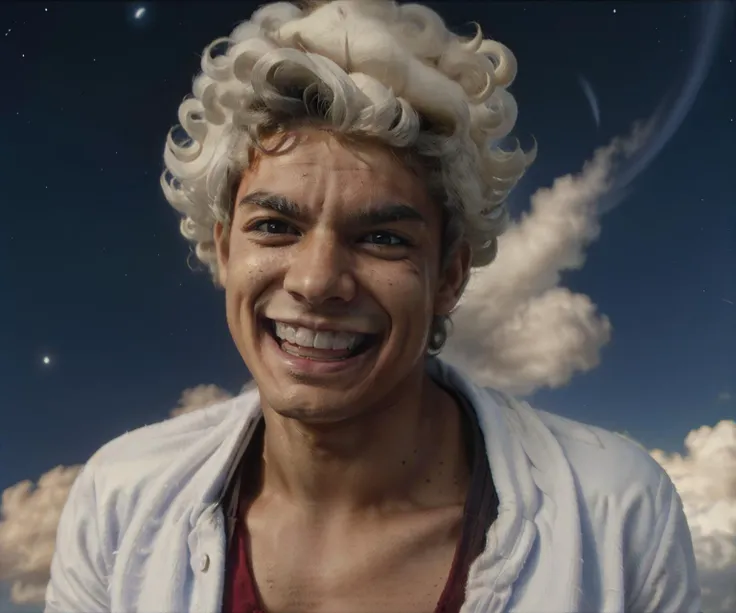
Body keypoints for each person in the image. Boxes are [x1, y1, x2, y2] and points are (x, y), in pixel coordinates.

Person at [45, 1, 701, 612]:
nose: (317, 280)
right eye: (275, 226)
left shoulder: (618, 513)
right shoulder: (118, 504)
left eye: (383, 237)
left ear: (449, 275)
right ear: (222, 248)